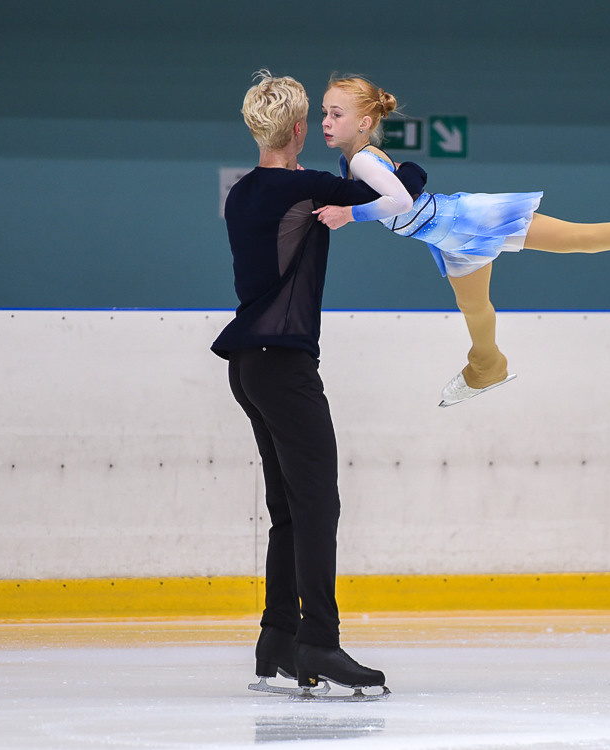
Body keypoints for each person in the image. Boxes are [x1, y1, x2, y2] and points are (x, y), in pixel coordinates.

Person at [315, 75, 610, 407]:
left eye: (337, 113)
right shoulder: (353, 159)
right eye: (324, 112)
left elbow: (398, 198)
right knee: (474, 306)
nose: (326, 121)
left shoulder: (365, 160)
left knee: (578, 238)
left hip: (465, 220)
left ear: (366, 122)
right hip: (450, 237)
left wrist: (349, 214)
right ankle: (487, 365)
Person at [211, 70, 424, 699]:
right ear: (300, 129)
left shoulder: (243, 192)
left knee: (287, 509)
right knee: (317, 505)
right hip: (284, 366)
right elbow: (408, 185)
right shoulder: (307, 187)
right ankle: (319, 644)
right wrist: (368, 155)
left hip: (247, 367)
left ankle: (276, 637)